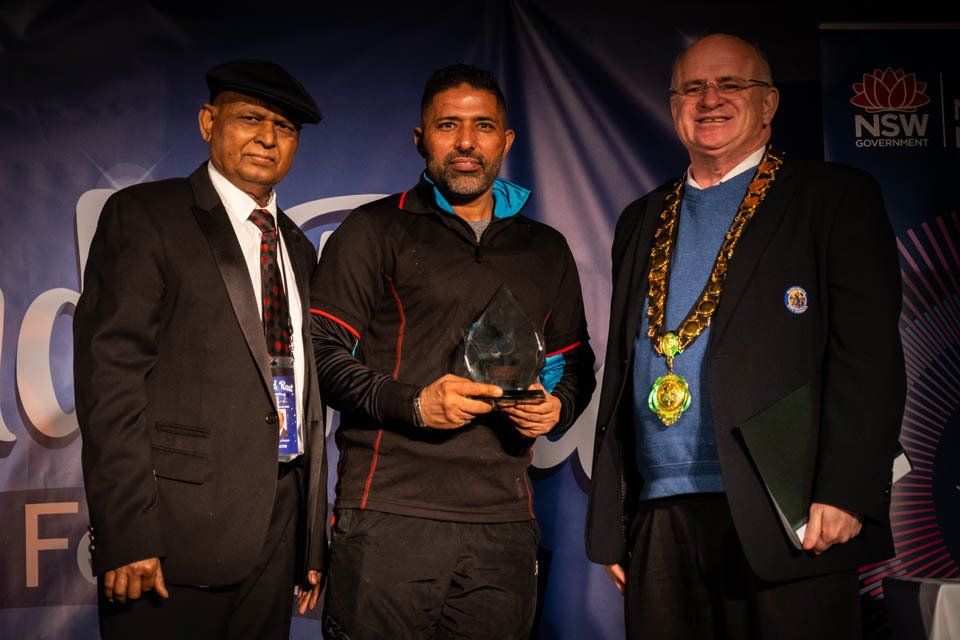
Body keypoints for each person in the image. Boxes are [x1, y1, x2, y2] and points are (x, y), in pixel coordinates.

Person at [586, 34, 906, 638]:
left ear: (769, 104)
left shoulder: (834, 197)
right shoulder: (641, 217)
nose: (710, 99)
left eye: (730, 84)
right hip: (659, 514)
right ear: (673, 105)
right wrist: (614, 521)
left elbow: (868, 357)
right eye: (693, 88)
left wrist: (846, 490)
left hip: (789, 508)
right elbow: (626, 370)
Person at [310, 63, 596, 639]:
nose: (466, 142)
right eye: (448, 125)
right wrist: (415, 404)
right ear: (421, 139)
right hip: (388, 515)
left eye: (483, 126)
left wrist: (557, 406)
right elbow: (321, 355)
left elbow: (576, 361)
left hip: (505, 523)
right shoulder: (372, 231)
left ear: (505, 141)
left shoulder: (546, 247)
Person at [74, 59, 328, 639]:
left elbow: (304, 398)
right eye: (250, 119)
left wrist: (309, 536)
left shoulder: (296, 245)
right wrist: (127, 533)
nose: (268, 137)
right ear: (208, 122)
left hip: (274, 534)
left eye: (285, 128)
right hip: (168, 543)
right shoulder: (145, 216)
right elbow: (109, 382)